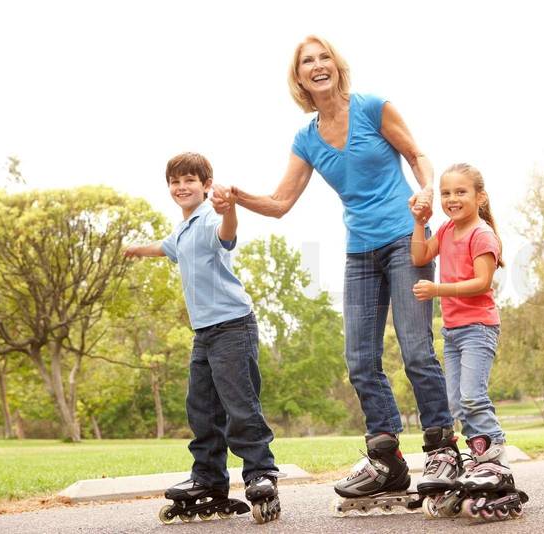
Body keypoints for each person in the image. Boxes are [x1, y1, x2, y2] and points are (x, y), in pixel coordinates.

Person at [224, 35, 459, 498]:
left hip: (404, 238)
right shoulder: (307, 139)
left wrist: (427, 189)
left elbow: (417, 154)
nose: (318, 65)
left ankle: (443, 449)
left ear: (336, 64)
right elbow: (280, 203)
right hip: (360, 253)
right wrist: (236, 197)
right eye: (307, 61)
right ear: (299, 78)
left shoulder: (372, 107)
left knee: (416, 349)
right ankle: (386, 458)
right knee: (360, 361)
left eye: (324, 57)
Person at [124, 152, 280, 523]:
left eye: (190, 180)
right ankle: (208, 479)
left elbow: (227, 235)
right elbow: (165, 247)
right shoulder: (183, 229)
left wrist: (229, 209)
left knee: (240, 406)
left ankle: (261, 475)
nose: (182, 187)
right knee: (202, 409)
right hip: (204, 333)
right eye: (175, 181)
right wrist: (135, 249)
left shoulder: (210, 217)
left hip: (232, 326)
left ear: (206, 185)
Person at [409, 162, 513, 486]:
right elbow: (419, 256)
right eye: (445, 193)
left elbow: (483, 283)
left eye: (460, 192)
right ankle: (479, 457)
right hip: (453, 331)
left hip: (478, 328)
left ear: (480, 197)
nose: (452, 199)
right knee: (456, 402)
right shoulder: (445, 230)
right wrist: (419, 222)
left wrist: (437, 290)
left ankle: (495, 460)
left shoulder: (482, 235)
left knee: (472, 397)